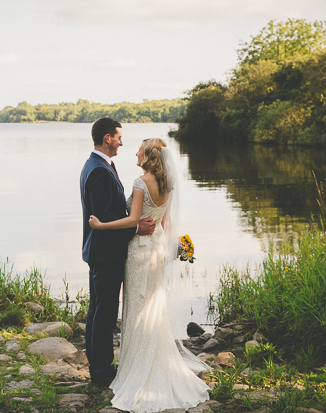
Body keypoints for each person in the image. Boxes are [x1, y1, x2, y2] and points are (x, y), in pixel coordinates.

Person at [88, 138, 210, 412]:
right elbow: (165, 224)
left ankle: (137, 369)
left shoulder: (141, 182)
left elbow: (133, 220)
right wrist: (172, 250)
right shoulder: (168, 185)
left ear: (148, 156)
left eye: (139, 149)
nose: (135, 151)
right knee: (153, 306)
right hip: (156, 250)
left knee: (137, 307)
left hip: (140, 251)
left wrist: (101, 225)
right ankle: (152, 361)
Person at [80, 117, 156, 388]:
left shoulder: (97, 165)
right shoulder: (99, 169)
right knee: (104, 314)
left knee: (98, 312)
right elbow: (105, 218)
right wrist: (136, 229)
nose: (122, 142)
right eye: (119, 137)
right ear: (107, 138)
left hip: (101, 252)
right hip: (106, 253)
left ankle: (99, 369)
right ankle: (101, 373)